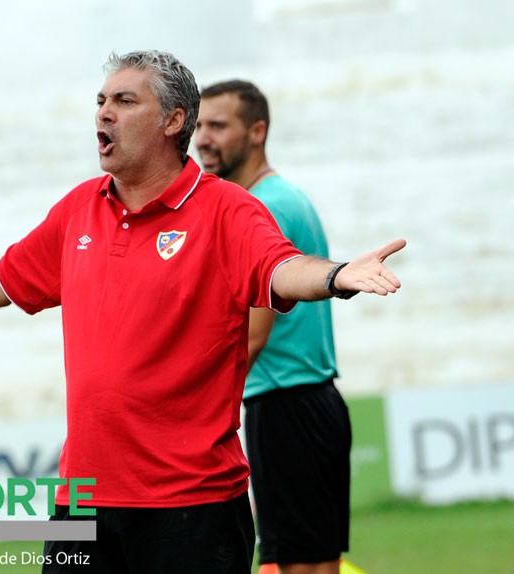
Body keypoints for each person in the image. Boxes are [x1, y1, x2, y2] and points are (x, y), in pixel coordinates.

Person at [0, 51, 405, 574]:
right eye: (100, 100)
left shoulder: (227, 210)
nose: (103, 112)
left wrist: (336, 276)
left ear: (172, 120)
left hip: (190, 508)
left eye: (124, 100)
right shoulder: (79, 208)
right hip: (82, 500)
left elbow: (278, 269)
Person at [195, 79, 351, 574]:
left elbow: (251, 334)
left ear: (257, 131)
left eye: (218, 126)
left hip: (286, 404)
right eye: (199, 125)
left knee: (296, 567)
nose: (203, 138)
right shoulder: (281, 196)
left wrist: (194, 419)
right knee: (308, 562)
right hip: (309, 404)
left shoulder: (265, 207)